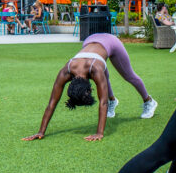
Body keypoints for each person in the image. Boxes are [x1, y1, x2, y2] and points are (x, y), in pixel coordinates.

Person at [23, 33, 158, 142]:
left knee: (129, 76)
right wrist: (41, 131)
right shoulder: (65, 71)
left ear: (90, 88)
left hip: (111, 42)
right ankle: (114, 101)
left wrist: (99, 133)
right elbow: (51, 103)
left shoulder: (95, 69)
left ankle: (149, 101)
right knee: (103, 79)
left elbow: (102, 102)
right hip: (90, 40)